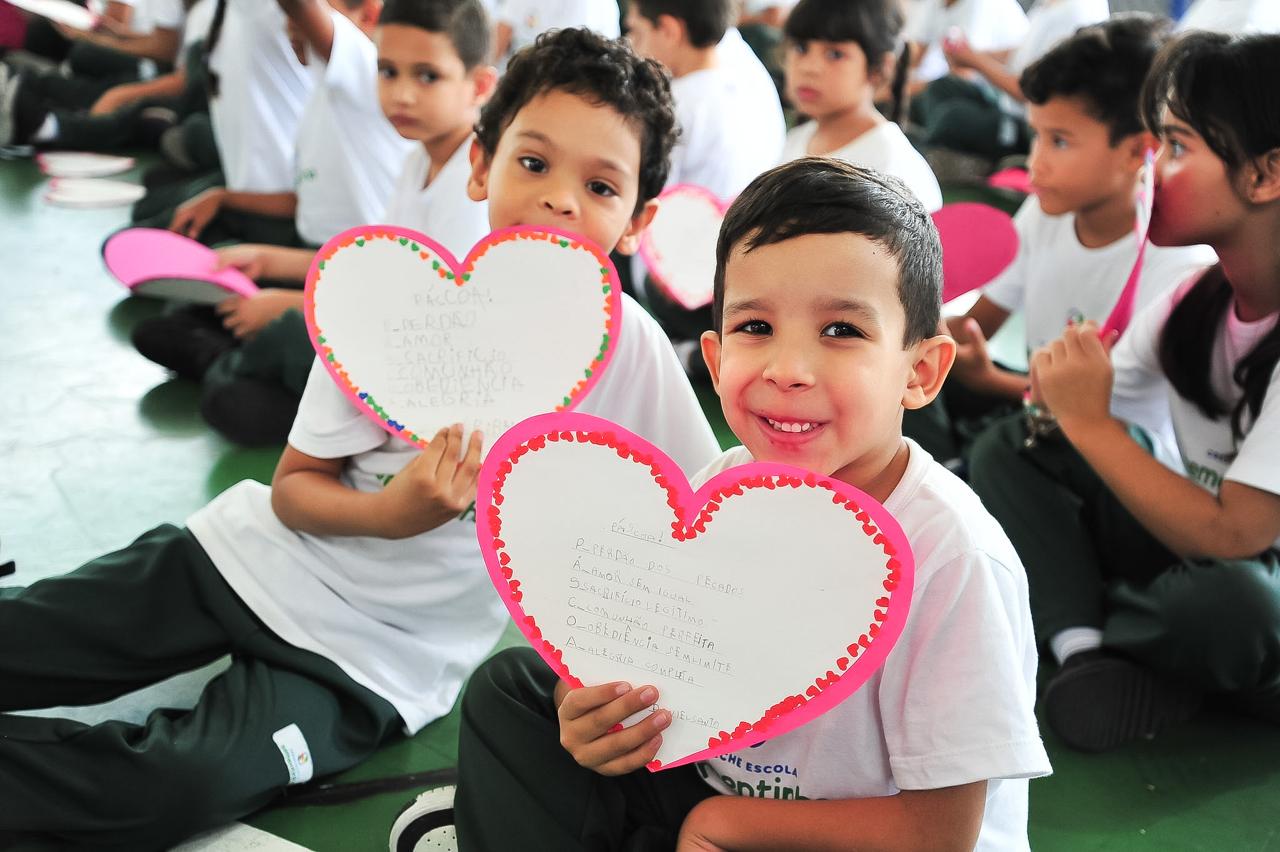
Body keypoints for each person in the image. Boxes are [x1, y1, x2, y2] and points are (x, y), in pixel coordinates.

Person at [0, 24, 718, 851]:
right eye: (533, 163)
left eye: (600, 186)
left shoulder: (625, 344)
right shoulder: (401, 301)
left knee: (169, 788)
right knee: (25, 637)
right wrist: (392, 514)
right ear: (482, 165)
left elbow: (698, 514)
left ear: (637, 220)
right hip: (248, 561)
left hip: (377, 662)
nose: (560, 198)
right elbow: (294, 489)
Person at [442, 158, 1050, 851]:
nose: (787, 370)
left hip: (861, 837)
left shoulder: (953, 556)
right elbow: (647, 663)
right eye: (756, 327)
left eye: (841, 331)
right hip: (717, 791)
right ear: (716, 351)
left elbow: (938, 833)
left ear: (920, 372)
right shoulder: (725, 487)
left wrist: (721, 824)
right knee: (516, 691)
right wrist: (593, 718)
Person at [969, 31, 1280, 752]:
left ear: (1266, 175)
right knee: (1017, 446)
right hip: (1185, 547)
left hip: (1249, 581)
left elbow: (1239, 535)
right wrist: (1056, 389)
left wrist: (1089, 422)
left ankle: (1085, 618)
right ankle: (1088, 653)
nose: (1154, 171)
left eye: (1175, 148)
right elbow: (1059, 407)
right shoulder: (1201, 299)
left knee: (1234, 606)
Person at [904, 14, 1216, 468]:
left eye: (1060, 141)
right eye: (1037, 137)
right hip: (1033, 405)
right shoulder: (1048, 209)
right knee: (896, 378)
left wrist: (987, 379)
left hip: (1109, 454)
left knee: (996, 451)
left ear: (1137, 150)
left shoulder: (1177, 264)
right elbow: (978, 326)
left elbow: (1098, 409)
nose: (1036, 163)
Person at [780, 0, 942, 212]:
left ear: (879, 68)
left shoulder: (889, 167)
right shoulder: (799, 138)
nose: (810, 68)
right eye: (801, 48)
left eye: (835, 54)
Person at [925, 0, 1109, 160]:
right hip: (1008, 104)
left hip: (1029, 127)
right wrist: (969, 54)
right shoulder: (1048, 5)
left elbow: (1032, 91)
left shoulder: (1079, 13)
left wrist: (975, 60)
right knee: (942, 87)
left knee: (953, 118)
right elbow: (1022, 52)